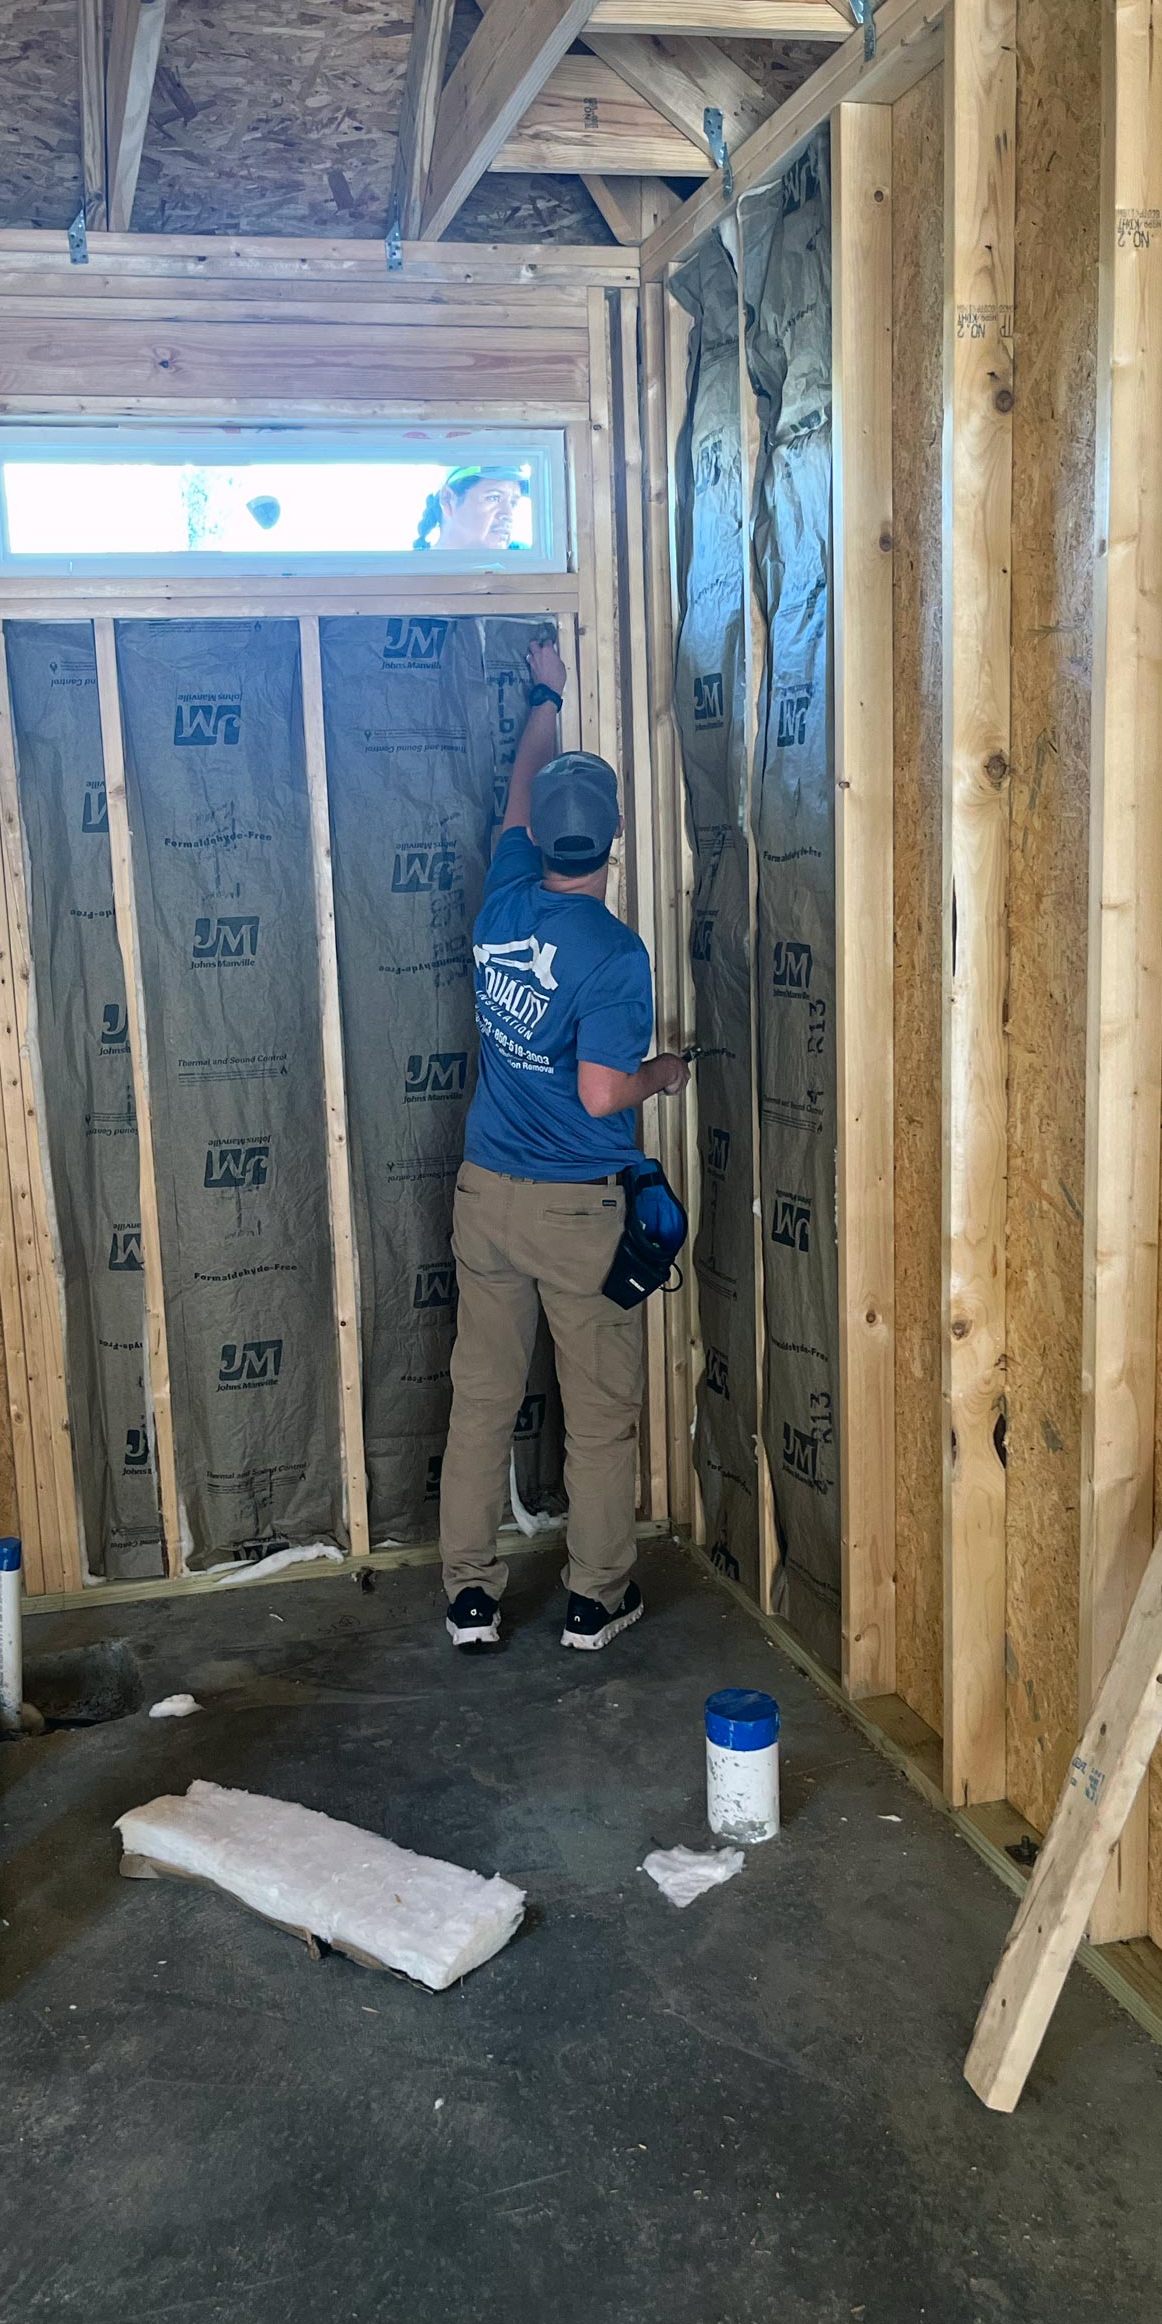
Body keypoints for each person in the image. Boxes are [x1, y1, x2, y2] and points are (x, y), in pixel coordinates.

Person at [440, 638, 688, 1653]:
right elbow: (597, 1095)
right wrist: (661, 1076)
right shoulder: (616, 954)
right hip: (574, 1210)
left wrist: (546, 692)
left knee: (481, 1401)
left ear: (540, 837)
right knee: (597, 1412)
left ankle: (468, 1595)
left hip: (484, 1193)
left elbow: (513, 795)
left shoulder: (502, 893)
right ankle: (596, 1598)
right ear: (614, 842)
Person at [413, 463, 526, 554]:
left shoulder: (526, 562)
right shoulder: (410, 572)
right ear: (447, 499)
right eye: (493, 498)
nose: (508, 514)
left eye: (513, 502)